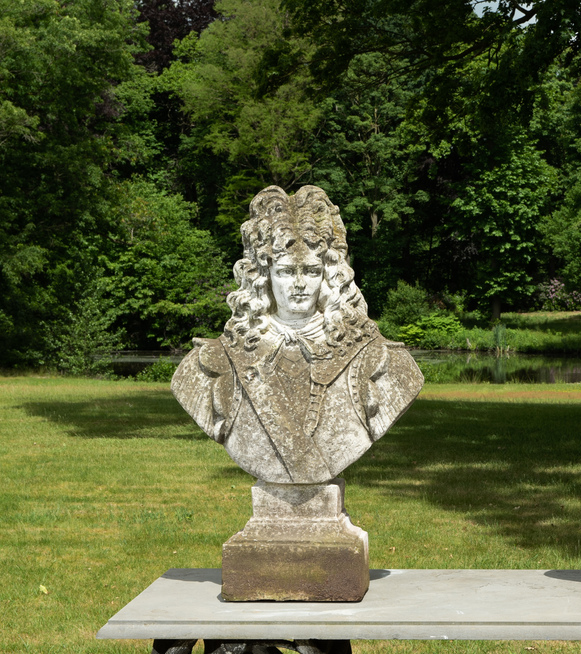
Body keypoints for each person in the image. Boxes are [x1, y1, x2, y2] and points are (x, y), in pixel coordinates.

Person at [171, 185, 423, 484]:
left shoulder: (381, 360)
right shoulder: (212, 363)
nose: (301, 284)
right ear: (264, 276)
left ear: (330, 276)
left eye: (313, 271)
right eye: (287, 272)